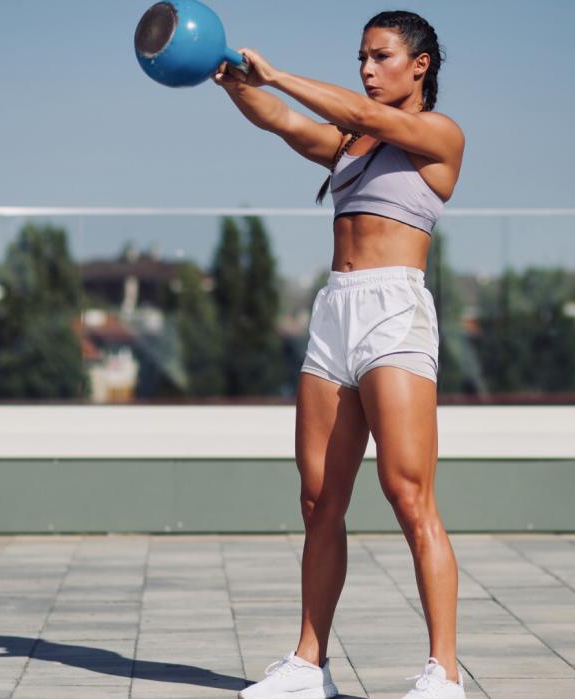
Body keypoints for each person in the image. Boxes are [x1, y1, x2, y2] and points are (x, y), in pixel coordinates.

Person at [213, 9, 465, 699]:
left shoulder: (437, 136)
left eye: (380, 56)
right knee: (318, 496)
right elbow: (285, 122)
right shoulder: (351, 143)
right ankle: (308, 663)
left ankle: (444, 671)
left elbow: (353, 108)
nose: (366, 69)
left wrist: (281, 73)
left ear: (419, 65)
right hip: (336, 312)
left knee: (409, 493)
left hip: (394, 311)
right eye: (361, 56)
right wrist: (234, 82)